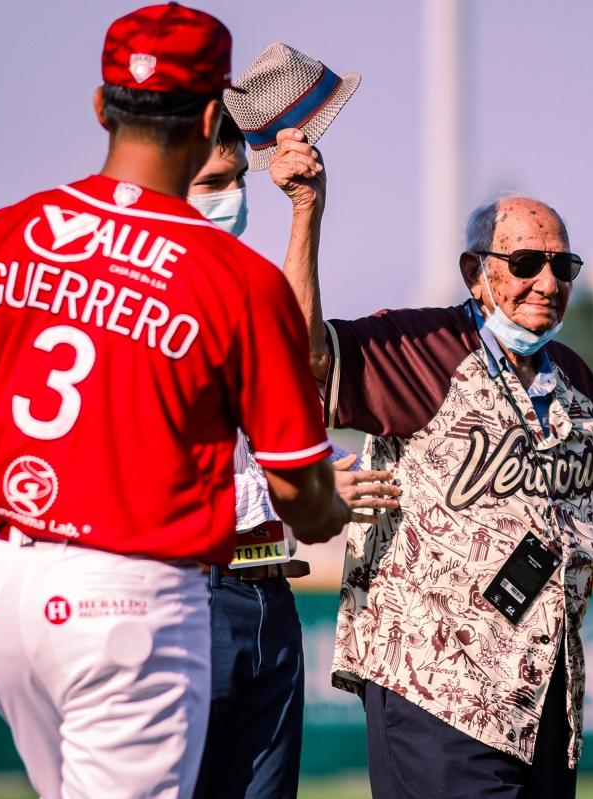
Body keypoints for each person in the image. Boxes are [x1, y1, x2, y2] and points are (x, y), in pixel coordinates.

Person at [0, 5, 350, 797]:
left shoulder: (2, 233)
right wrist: (327, 505)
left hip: (5, 586)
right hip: (130, 592)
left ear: (101, 108)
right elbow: (299, 496)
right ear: (212, 116)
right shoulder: (234, 277)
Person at [276, 176, 593, 795]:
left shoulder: (581, 386)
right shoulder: (419, 346)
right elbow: (302, 358)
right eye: (524, 264)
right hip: (434, 686)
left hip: (546, 695)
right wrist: (308, 212)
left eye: (561, 266)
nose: (546, 283)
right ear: (476, 272)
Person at [186, 111, 401, 799]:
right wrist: (300, 483)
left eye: (235, 179)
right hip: (188, 590)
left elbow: (300, 370)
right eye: (213, 181)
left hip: (267, 591)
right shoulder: (150, 299)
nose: (231, 196)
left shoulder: (246, 287)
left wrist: (305, 209)